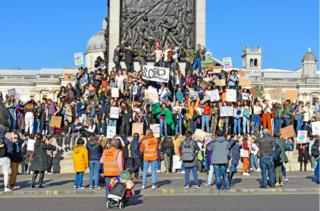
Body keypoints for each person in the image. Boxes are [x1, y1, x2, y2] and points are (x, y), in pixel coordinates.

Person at [101, 138, 123, 204]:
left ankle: (108, 201)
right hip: (115, 172)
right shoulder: (118, 151)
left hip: (107, 172)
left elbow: (101, 161)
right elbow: (119, 163)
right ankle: (115, 200)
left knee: (108, 187)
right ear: (117, 144)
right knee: (115, 188)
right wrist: (121, 172)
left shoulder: (105, 151)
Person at [0, 125, 12, 192]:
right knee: (6, 173)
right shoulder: (6, 140)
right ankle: (6, 187)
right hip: (5, 158)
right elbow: (10, 150)